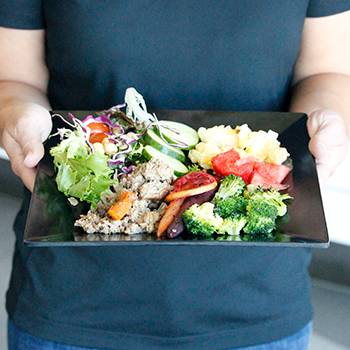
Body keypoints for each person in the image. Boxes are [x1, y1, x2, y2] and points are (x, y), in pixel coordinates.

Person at [0, 1, 349, 350]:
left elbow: (327, 71)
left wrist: (326, 119)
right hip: (70, 301)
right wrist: (17, 114)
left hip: (256, 303)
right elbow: (14, 77)